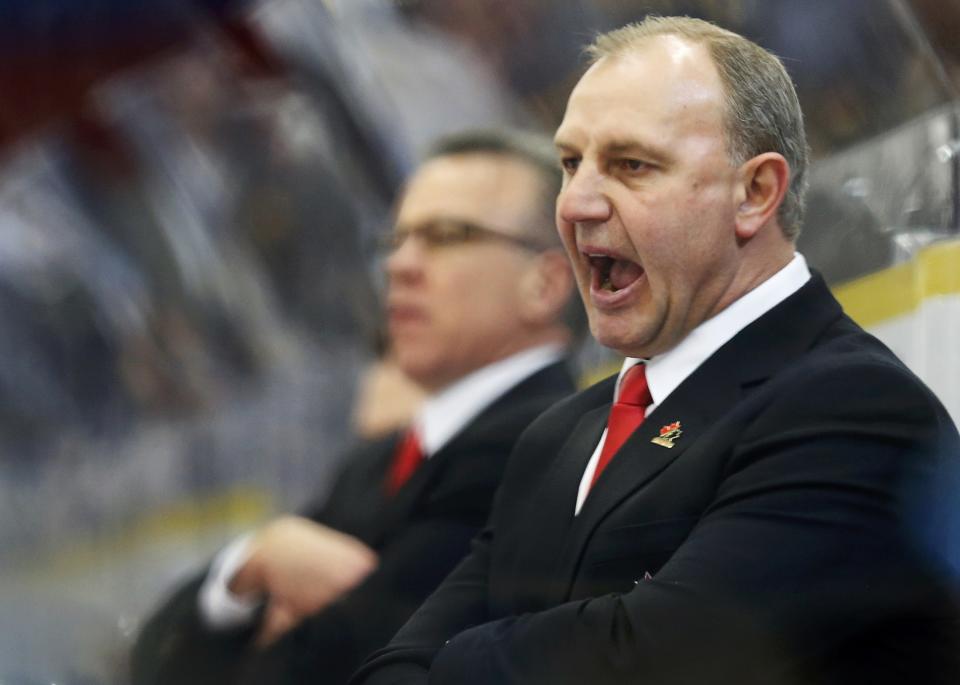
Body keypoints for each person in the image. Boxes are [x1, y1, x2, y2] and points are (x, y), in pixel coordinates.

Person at [353, 17, 960, 685]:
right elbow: (390, 663)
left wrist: (459, 659)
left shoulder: (853, 409)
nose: (577, 203)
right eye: (570, 163)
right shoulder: (557, 435)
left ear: (755, 193)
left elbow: (649, 659)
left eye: (631, 165)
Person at [130, 129, 581, 685]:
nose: (399, 267)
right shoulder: (382, 459)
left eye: (445, 235)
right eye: (396, 240)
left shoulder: (547, 450)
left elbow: (349, 666)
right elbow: (152, 657)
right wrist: (252, 562)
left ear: (545, 283)